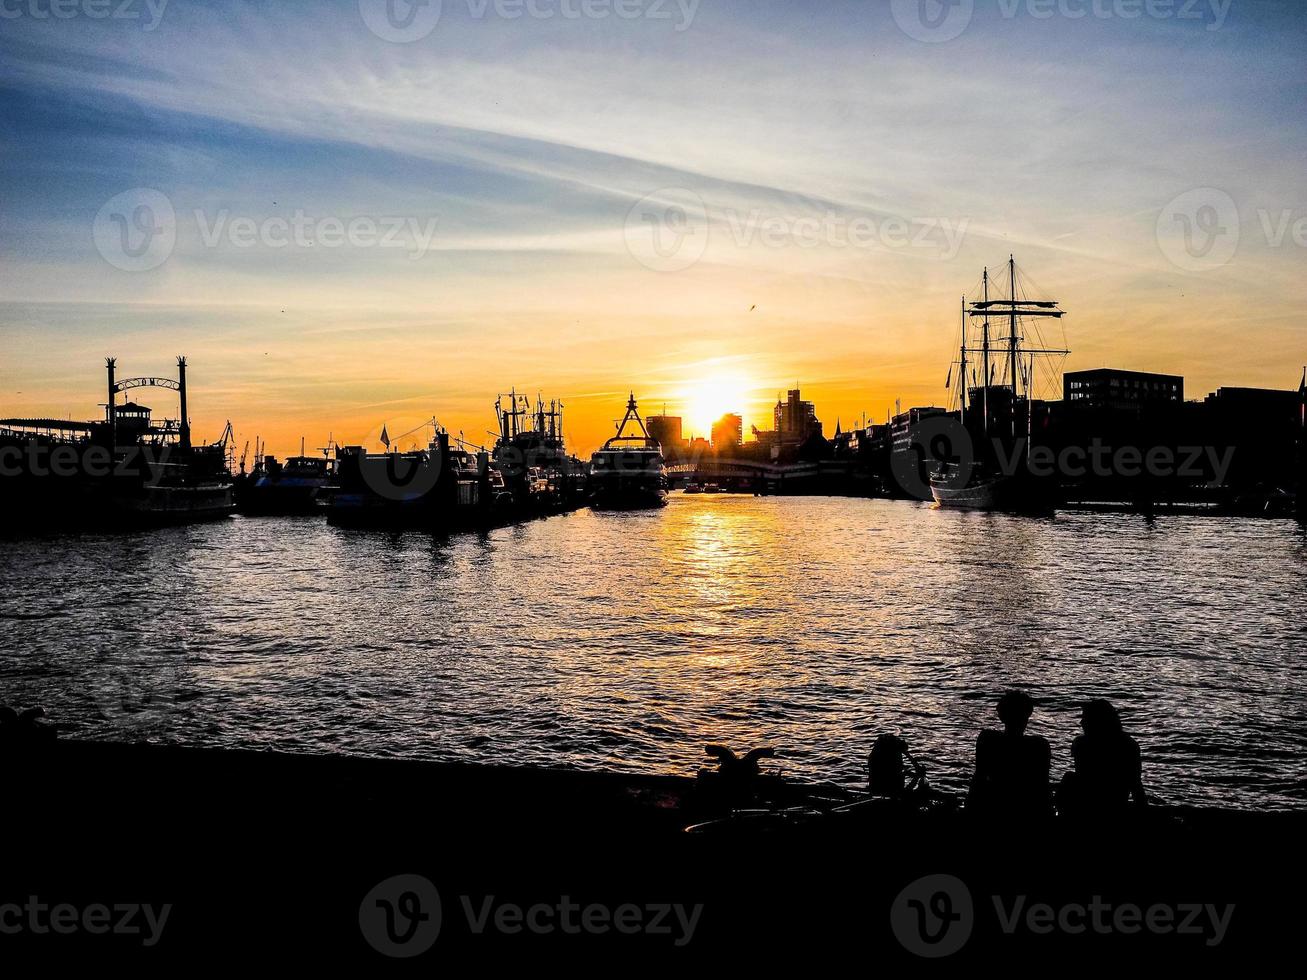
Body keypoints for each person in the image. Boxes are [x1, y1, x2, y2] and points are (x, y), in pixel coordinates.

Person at [966, 691, 1052, 818]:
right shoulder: (1040, 745)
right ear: (1028, 713)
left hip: (993, 806)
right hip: (1028, 808)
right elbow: (1043, 787)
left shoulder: (988, 739)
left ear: (1001, 715)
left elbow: (979, 778)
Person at [1056, 699, 1147, 816]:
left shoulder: (1081, 744)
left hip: (1090, 805)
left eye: (1085, 718)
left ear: (1096, 721)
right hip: (1116, 804)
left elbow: (1083, 778)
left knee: (1069, 778)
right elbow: (1136, 786)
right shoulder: (1129, 744)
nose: (1081, 722)